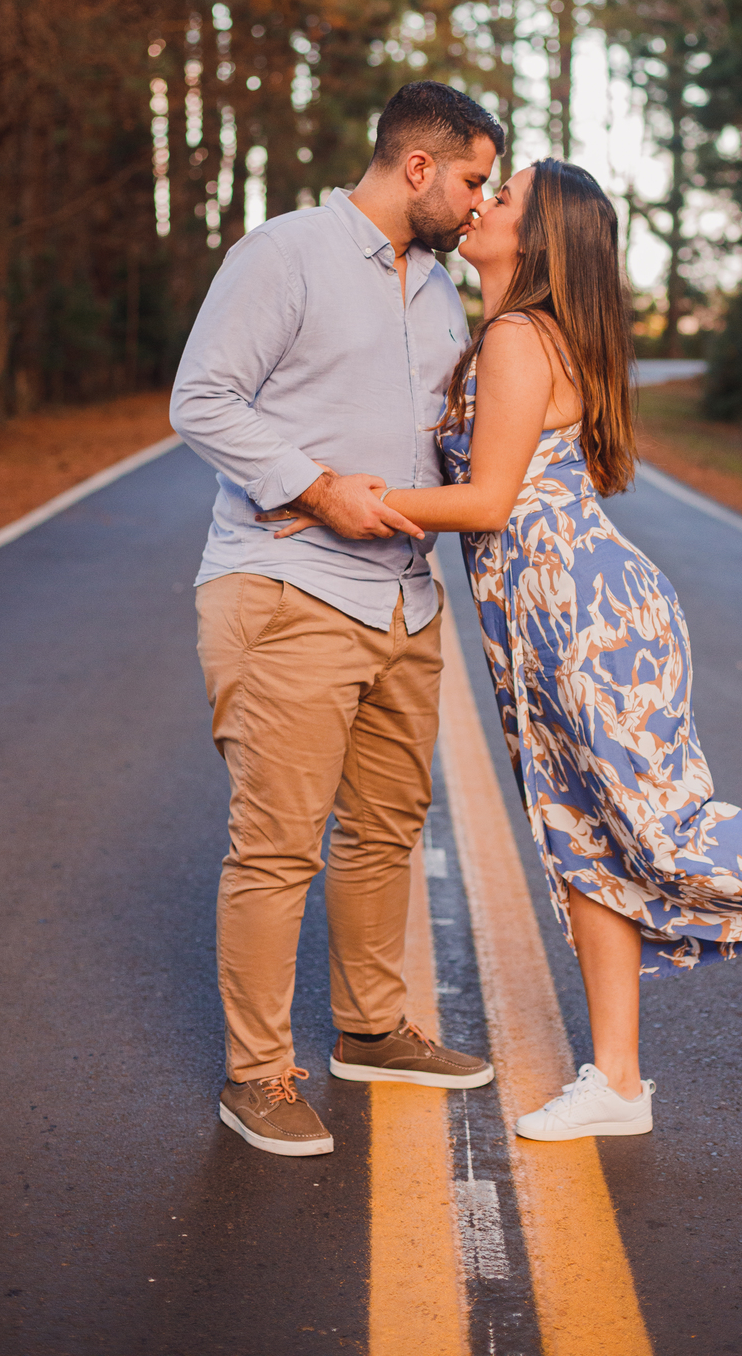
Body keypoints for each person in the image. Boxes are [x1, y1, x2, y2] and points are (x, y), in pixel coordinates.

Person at [262, 158, 742, 1145]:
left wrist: (338, 501)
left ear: (540, 240)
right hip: (536, 626)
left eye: (507, 195)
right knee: (583, 845)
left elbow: (485, 503)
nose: (484, 201)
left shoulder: (521, 339)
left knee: (665, 835)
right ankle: (617, 1083)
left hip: (590, 618)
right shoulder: (505, 335)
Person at [170, 80, 502, 1161]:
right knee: (276, 850)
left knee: (389, 828)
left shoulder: (443, 289)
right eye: (471, 181)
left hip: (407, 599)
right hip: (290, 588)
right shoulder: (287, 253)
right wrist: (316, 488)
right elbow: (203, 398)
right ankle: (255, 1075)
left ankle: (372, 1028)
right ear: (418, 168)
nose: (477, 203)